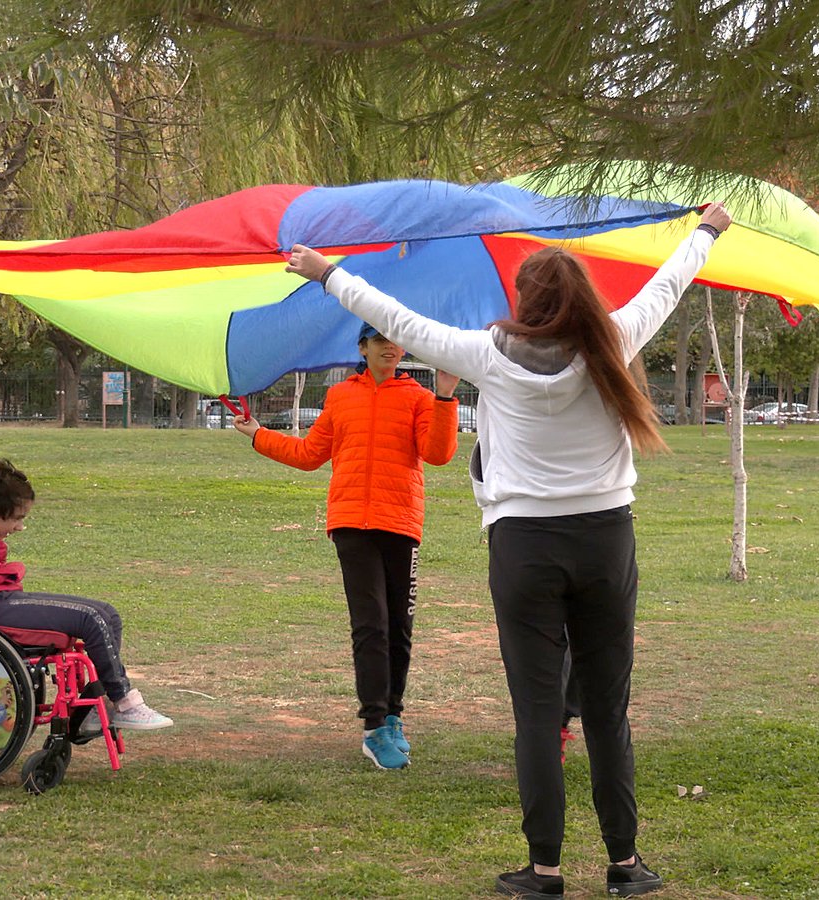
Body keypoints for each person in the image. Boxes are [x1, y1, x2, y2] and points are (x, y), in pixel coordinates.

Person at [283, 201, 733, 899]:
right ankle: (624, 865)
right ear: (583, 294)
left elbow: (396, 319)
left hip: (522, 547)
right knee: (608, 710)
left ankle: (545, 870)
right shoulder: (614, 336)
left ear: (523, 300)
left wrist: (325, 272)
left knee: (535, 711)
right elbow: (669, 285)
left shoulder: (485, 352)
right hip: (607, 541)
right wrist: (706, 230)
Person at [231, 325, 460, 769]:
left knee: (398, 628)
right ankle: (374, 728)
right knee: (370, 625)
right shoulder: (340, 397)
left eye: (395, 341)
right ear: (363, 348)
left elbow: (437, 454)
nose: (390, 348)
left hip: (401, 523)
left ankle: (393, 717)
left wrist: (446, 397)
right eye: (379, 340)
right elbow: (309, 454)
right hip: (352, 523)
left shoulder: (417, 397)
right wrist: (258, 434)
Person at [0, 460, 171, 731]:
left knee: (108, 615)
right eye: (16, 519)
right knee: (91, 619)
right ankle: (125, 703)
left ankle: (96, 705)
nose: (20, 527)